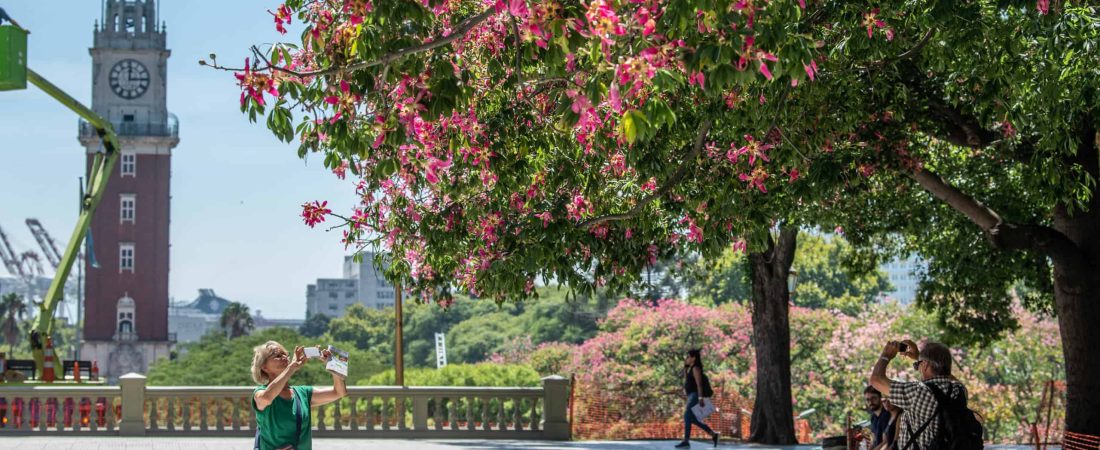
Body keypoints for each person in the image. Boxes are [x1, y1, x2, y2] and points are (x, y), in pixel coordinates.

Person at [869, 340, 967, 450]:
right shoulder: (959, 390)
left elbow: (876, 380)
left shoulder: (918, 392)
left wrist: (886, 355)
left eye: (917, 365)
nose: (918, 369)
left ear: (925, 365)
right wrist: (919, 358)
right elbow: (949, 378)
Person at [251, 341, 348, 450]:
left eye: (285, 354)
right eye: (277, 355)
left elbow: (339, 392)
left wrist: (332, 365)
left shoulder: (302, 393)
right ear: (264, 367)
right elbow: (266, 398)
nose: (284, 357)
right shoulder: (260, 393)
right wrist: (291, 368)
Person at [676, 349, 719, 449]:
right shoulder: (691, 368)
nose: (686, 359)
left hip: (695, 395)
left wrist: (700, 398)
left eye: (688, 357)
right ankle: (713, 434)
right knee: (691, 419)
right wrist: (685, 368)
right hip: (691, 395)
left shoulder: (696, 368)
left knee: (687, 416)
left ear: (693, 358)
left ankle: (686, 441)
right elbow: (687, 381)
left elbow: (699, 384)